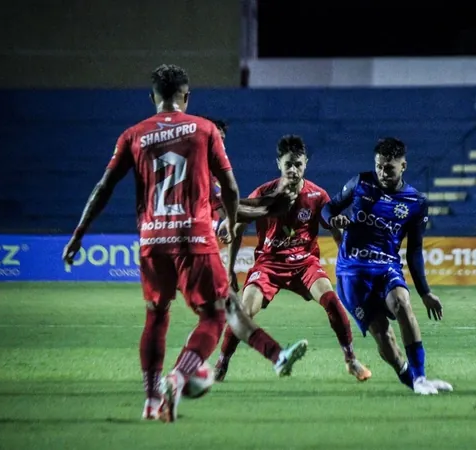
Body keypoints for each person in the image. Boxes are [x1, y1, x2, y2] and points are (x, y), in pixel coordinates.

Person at [61, 64, 308, 423]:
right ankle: (177, 378)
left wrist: (79, 233)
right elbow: (234, 191)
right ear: (187, 96)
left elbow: (104, 187)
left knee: (156, 316)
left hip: (152, 240)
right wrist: (237, 215)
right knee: (216, 315)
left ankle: (149, 400)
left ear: (152, 98)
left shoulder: (133, 134)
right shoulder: (205, 130)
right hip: (193, 238)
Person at [216, 135, 371, 382]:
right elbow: (238, 228)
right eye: (288, 164)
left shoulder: (318, 196)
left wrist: (344, 246)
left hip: (304, 263)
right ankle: (221, 365)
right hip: (268, 263)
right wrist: (229, 269)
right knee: (244, 311)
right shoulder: (265, 193)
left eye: (298, 164)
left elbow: (334, 227)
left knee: (332, 301)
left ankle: (351, 360)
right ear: (279, 163)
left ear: (306, 163)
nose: (293, 169)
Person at [321, 137, 453, 395]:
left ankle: (421, 377)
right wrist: (333, 220)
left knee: (403, 304)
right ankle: (411, 379)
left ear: (403, 166)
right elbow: (328, 208)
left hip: (386, 267)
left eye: (389, 167)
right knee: (384, 335)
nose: (382, 172)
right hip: (351, 273)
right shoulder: (360, 183)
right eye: (379, 166)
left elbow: (414, 250)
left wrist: (425, 291)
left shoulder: (416, 202)